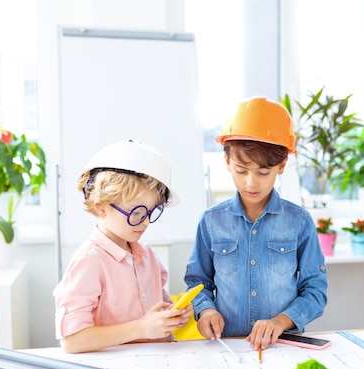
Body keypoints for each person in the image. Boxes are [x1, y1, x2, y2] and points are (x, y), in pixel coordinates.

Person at [184, 96, 328, 351]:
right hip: (228, 347)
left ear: (281, 165)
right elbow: (198, 283)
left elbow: (315, 291)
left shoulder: (300, 222)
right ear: (227, 162)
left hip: (283, 346)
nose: (251, 183)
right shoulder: (210, 222)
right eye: (241, 170)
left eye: (263, 173)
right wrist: (205, 310)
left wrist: (280, 321)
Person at [54, 140, 193, 353]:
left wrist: (173, 315)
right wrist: (142, 328)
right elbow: (72, 341)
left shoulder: (147, 256)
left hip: (160, 363)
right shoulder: (89, 261)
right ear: (101, 206)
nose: (145, 222)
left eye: (150, 212)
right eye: (136, 213)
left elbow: (160, 307)